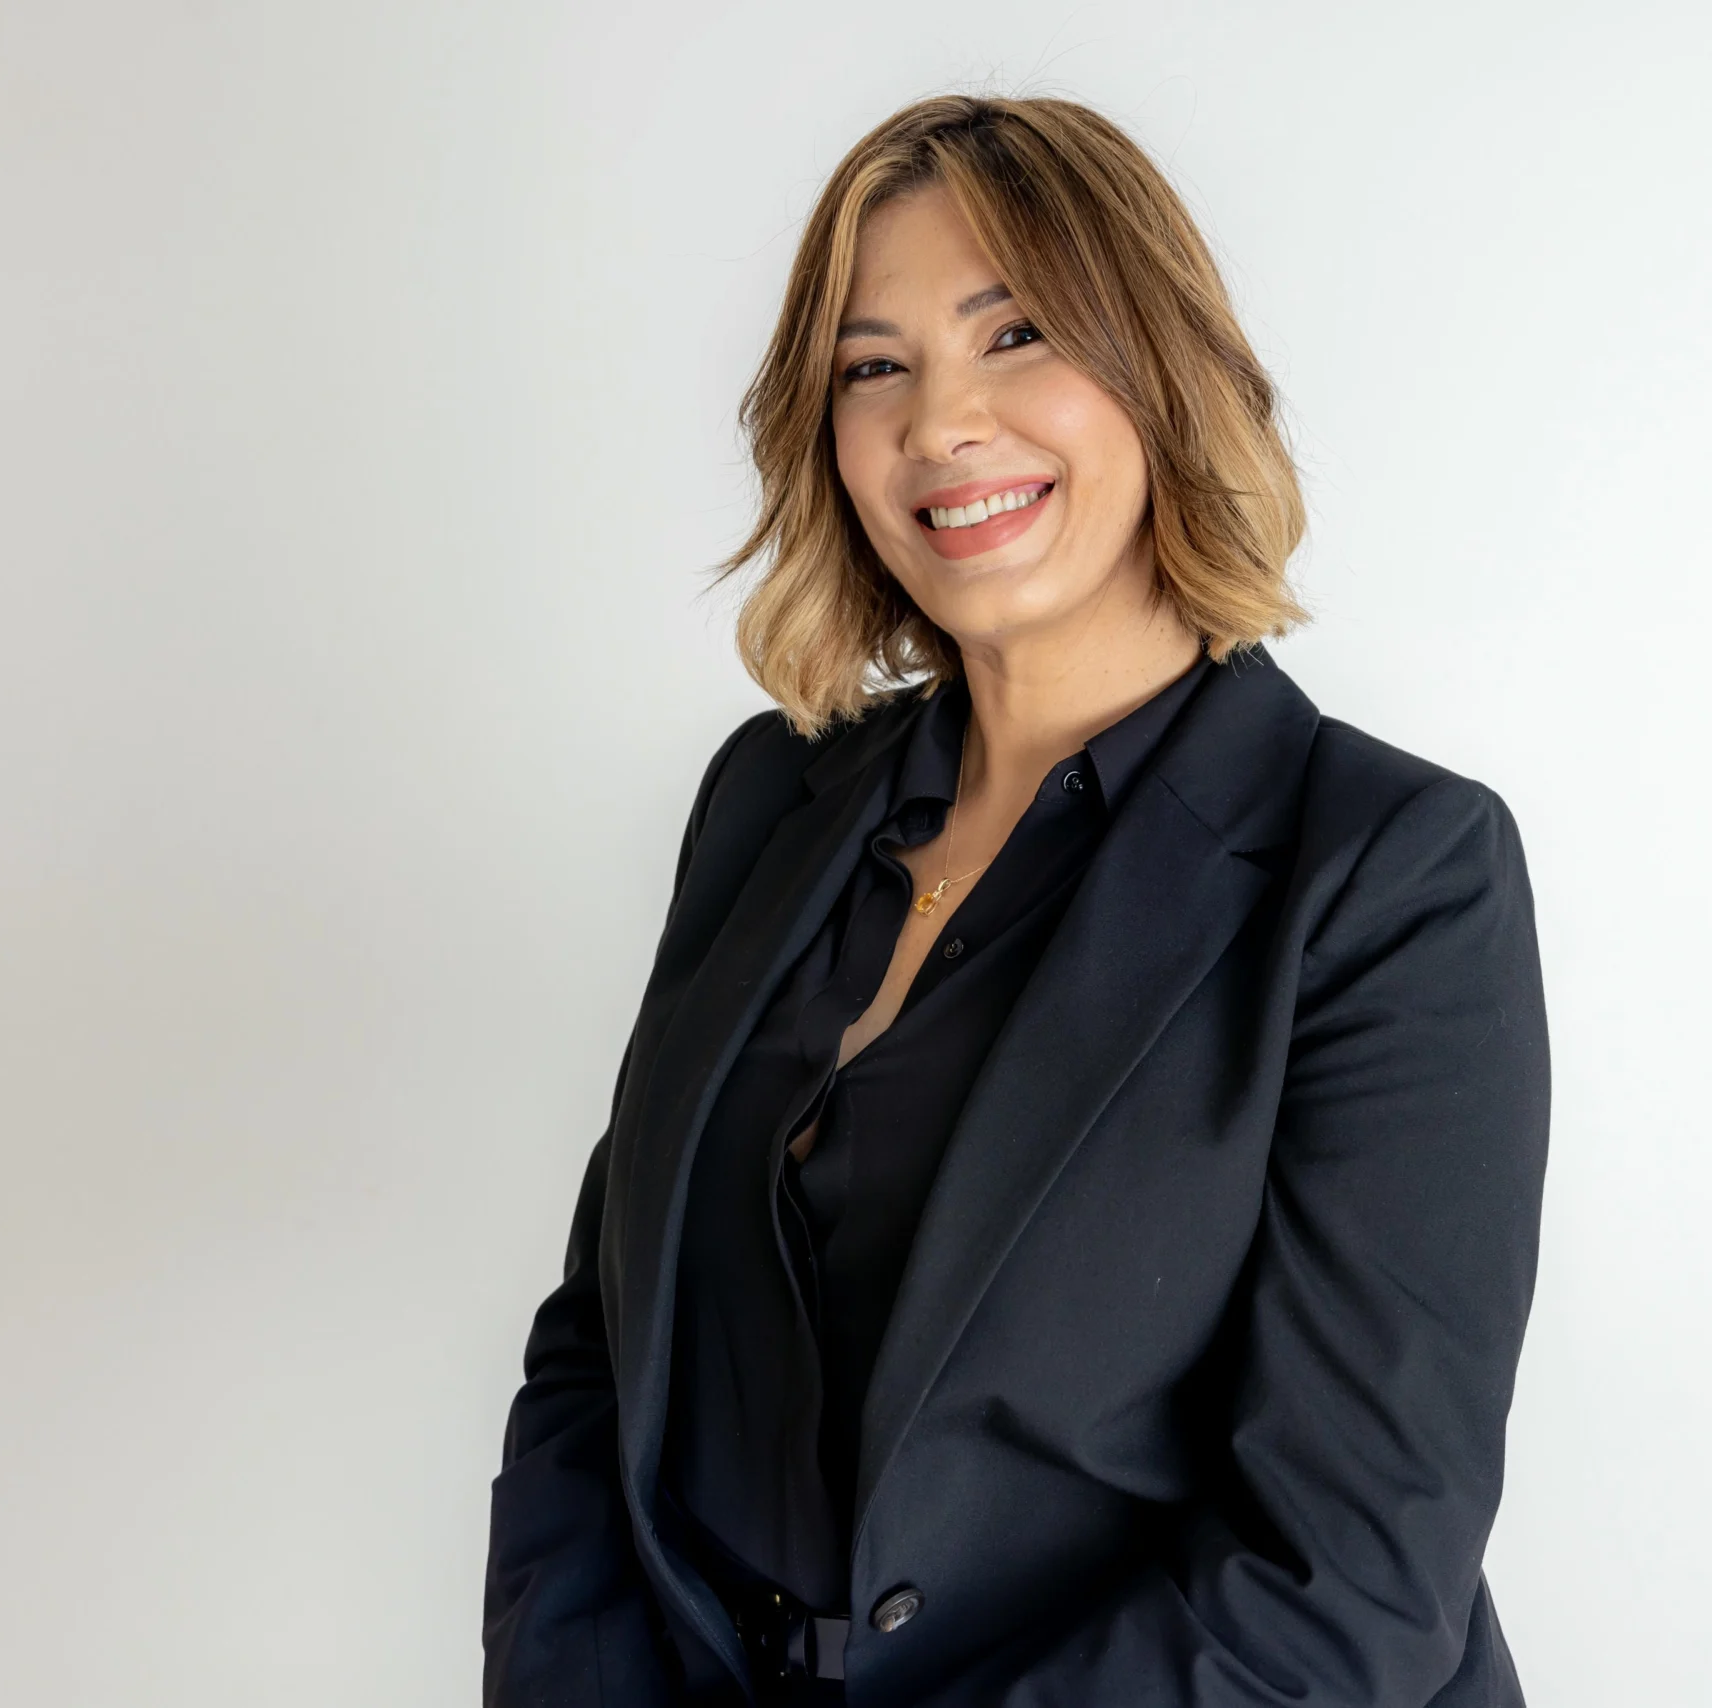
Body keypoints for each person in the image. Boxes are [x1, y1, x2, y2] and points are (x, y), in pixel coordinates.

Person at [482, 93, 1551, 1708]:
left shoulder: (1388, 876)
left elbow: (1346, 1584)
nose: (942, 423)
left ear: (1162, 366)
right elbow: (603, 1353)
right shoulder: (768, 800)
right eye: (874, 367)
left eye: (1016, 334)